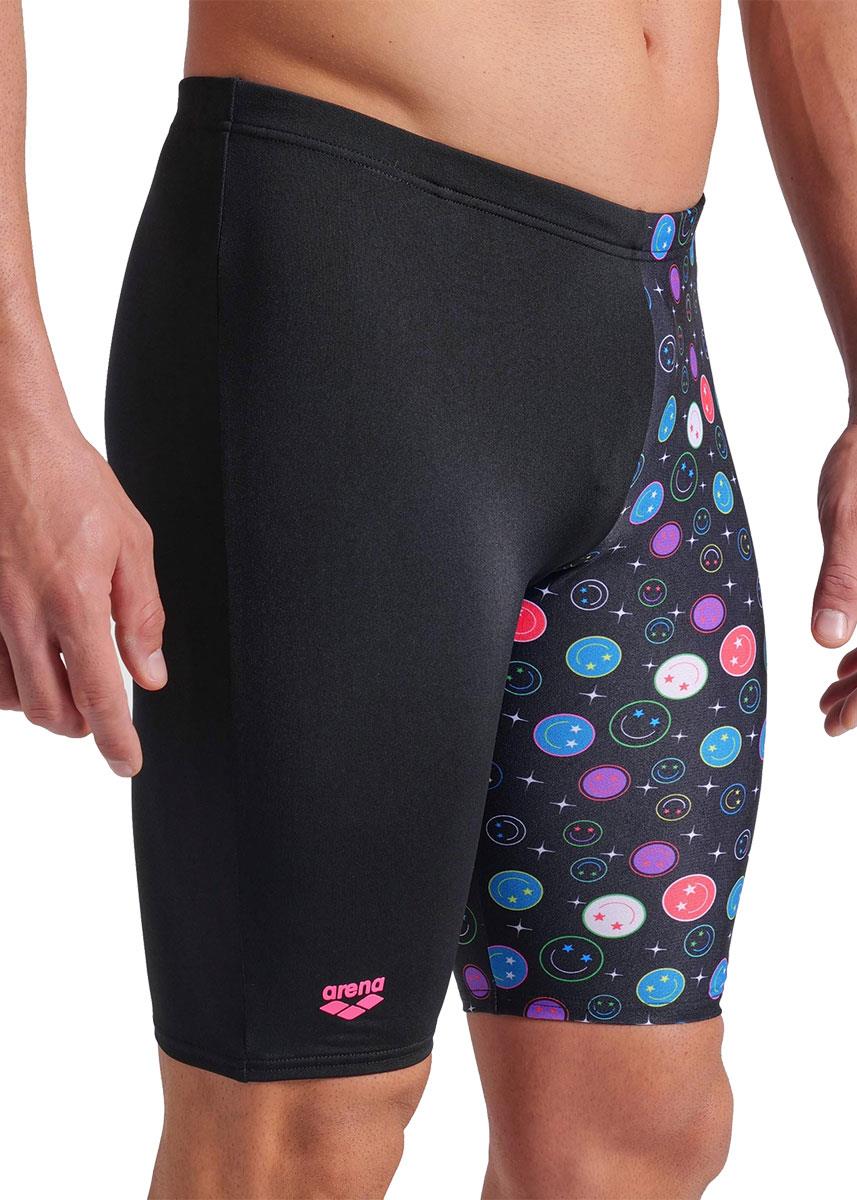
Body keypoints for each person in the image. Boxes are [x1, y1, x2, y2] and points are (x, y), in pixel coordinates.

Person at [1, 2, 855, 1197]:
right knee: (301, 1137)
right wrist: (12, 423)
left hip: (655, 330)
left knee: (633, 1137)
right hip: (341, 287)